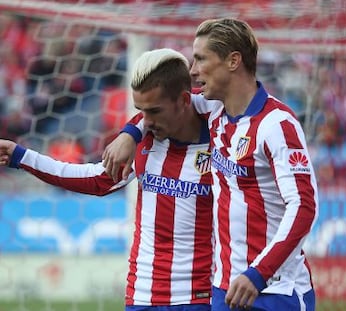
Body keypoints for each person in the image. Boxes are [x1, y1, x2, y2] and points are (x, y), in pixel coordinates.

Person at [103, 18, 319, 311]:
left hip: (274, 289)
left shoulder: (276, 125)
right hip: (225, 289)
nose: (192, 71)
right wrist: (130, 134)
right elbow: (161, 106)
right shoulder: (214, 111)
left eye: (201, 59)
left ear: (233, 61)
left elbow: (304, 206)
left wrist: (258, 274)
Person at [0, 48, 213, 311]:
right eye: (140, 111)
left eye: (154, 110)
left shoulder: (224, 135)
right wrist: (21, 156)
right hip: (143, 296)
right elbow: (96, 180)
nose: (147, 120)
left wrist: (130, 132)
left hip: (201, 296)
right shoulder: (144, 138)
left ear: (183, 100)